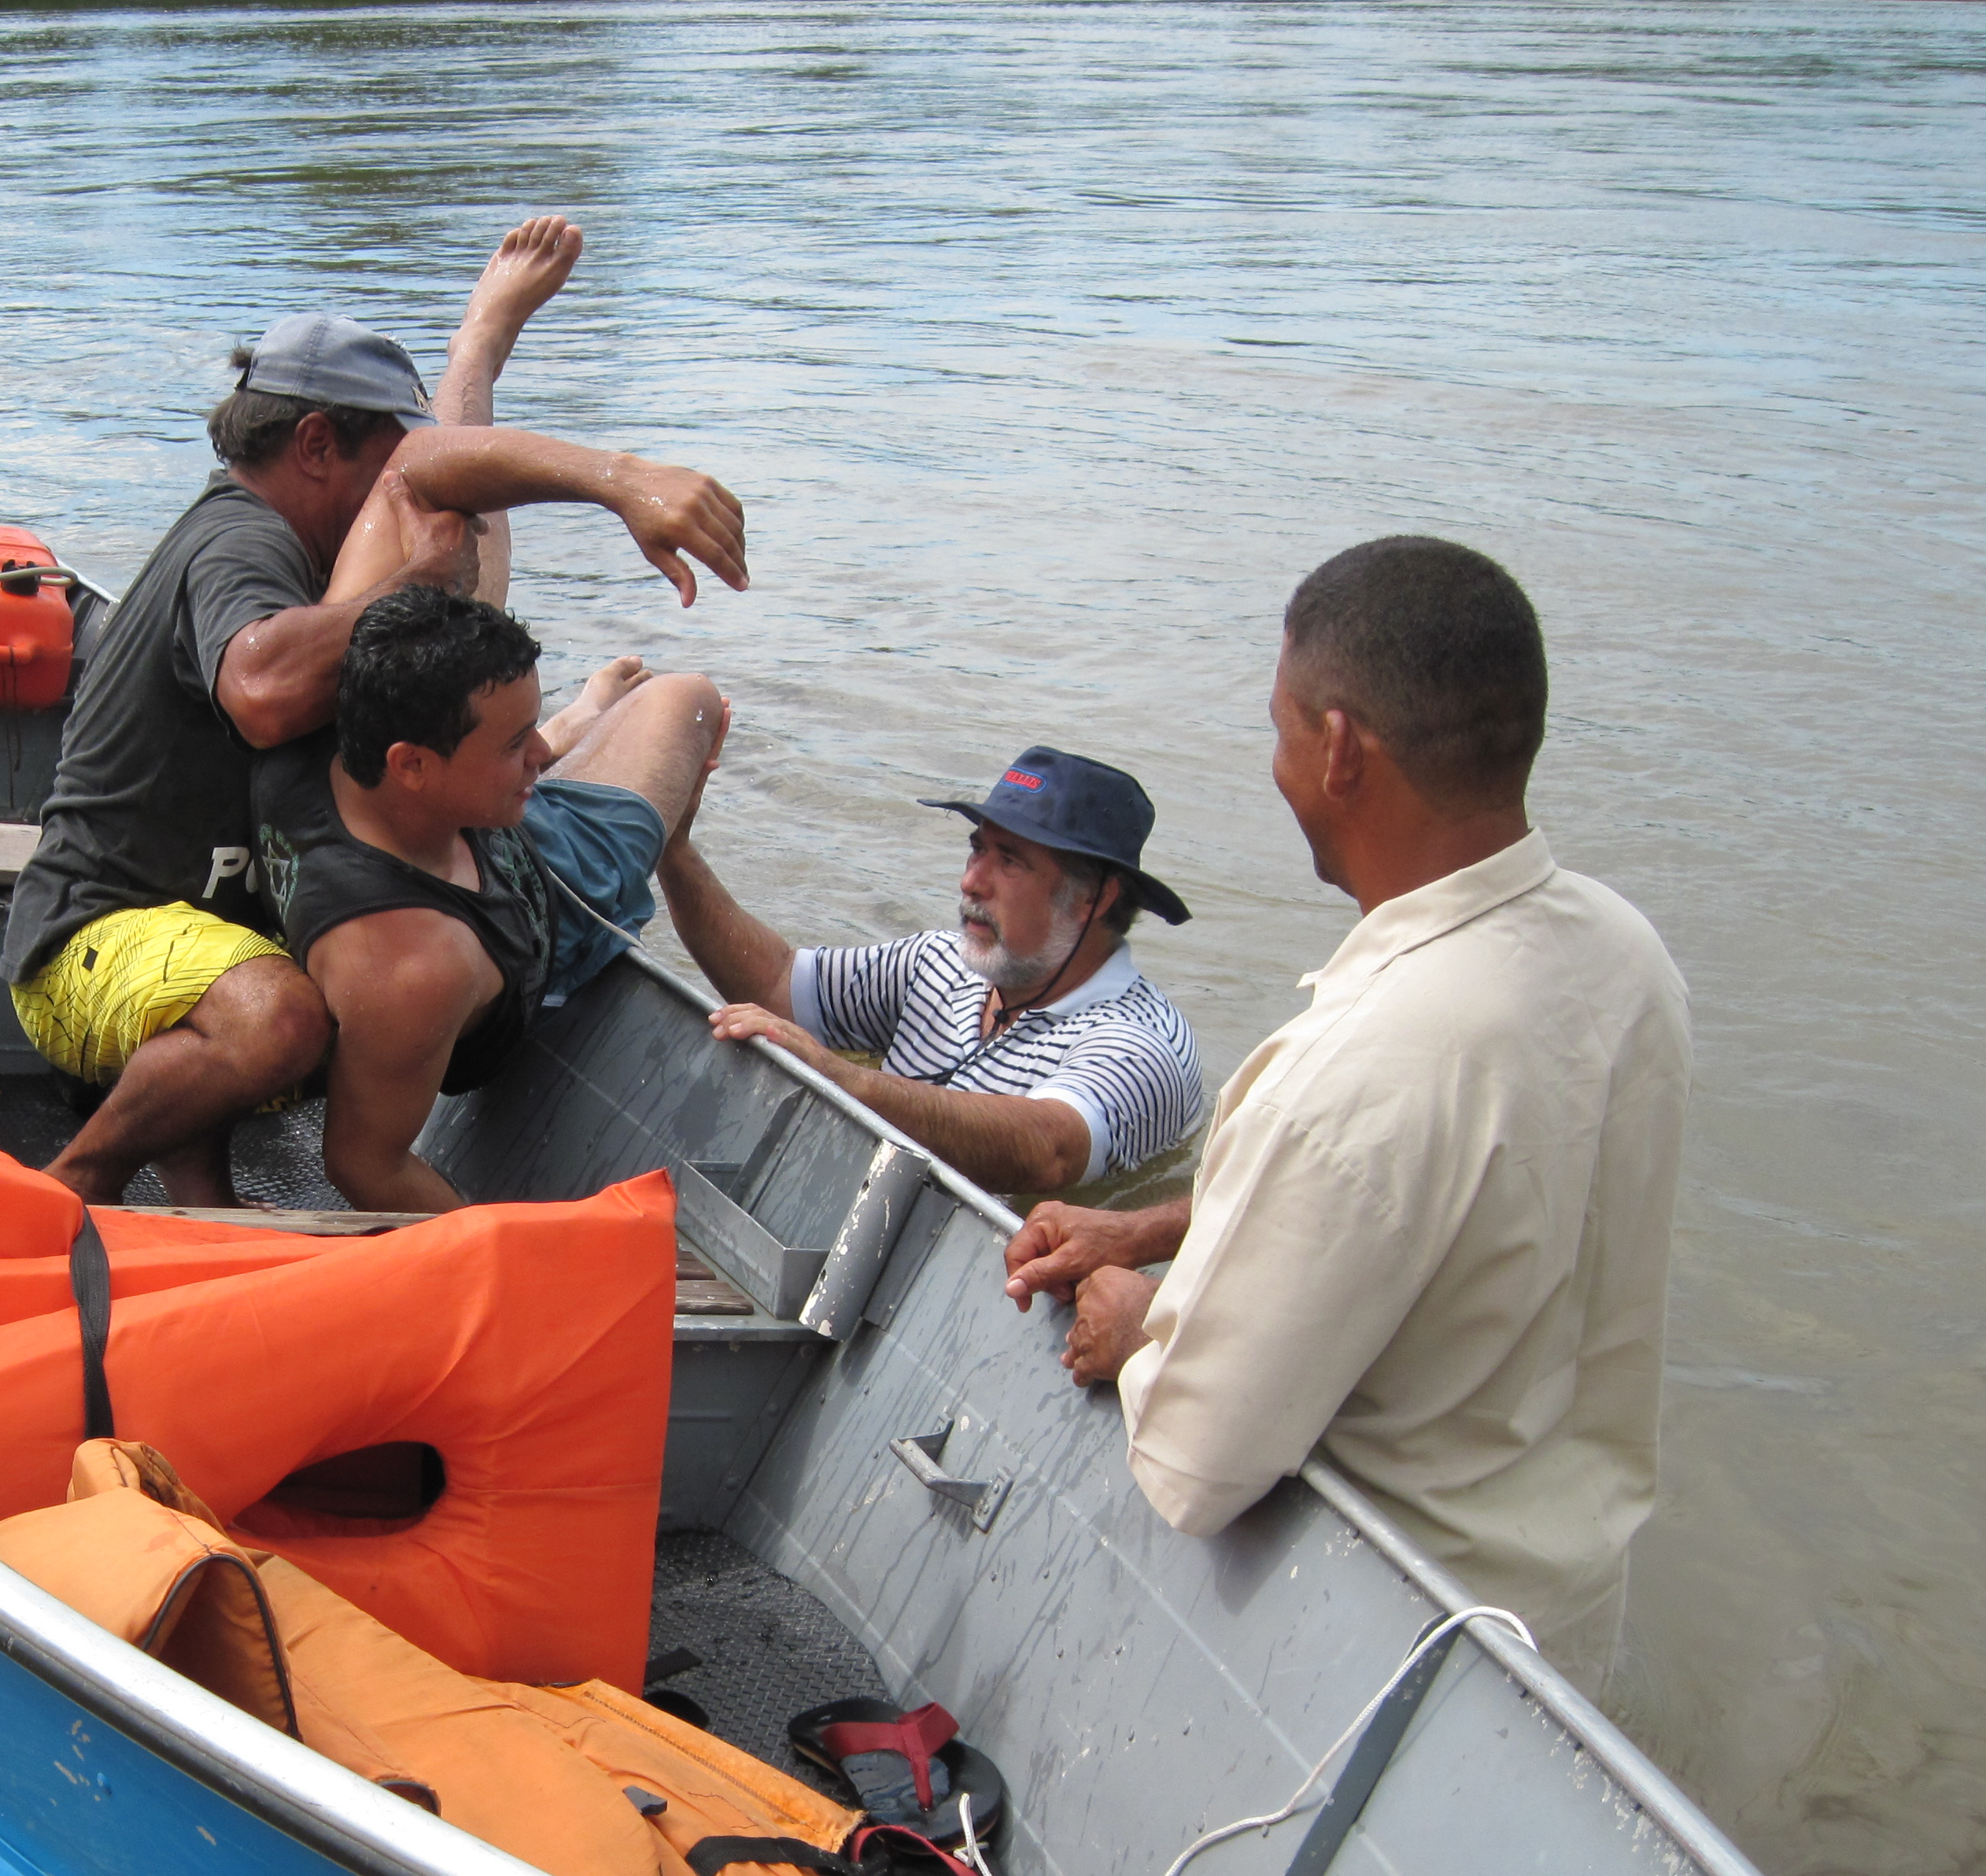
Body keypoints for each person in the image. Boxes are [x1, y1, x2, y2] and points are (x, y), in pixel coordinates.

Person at [1004, 536, 1691, 1686]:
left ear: (1338, 751)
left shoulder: (1361, 1063)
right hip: (1567, 1631)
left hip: (1393, 1648)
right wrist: (1142, 1230)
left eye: (1278, 729)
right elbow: (1453, 1214)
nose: (1274, 763)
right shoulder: (1627, 958)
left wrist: (1136, 1328)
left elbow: (1191, 1460)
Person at [0, 216, 749, 1205]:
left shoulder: (324, 560)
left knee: (472, 615)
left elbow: (454, 498)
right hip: (97, 938)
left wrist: (479, 356)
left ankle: (195, 1186)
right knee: (283, 1020)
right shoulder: (241, 541)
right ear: (316, 445)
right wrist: (618, 483)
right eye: (390, 463)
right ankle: (67, 1191)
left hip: (221, 933)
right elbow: (263, 688)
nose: (404, 508)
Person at [275, 590, 727, 1212]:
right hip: (568, 882)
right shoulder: (414, 967)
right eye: (519, 743)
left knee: (469, 523)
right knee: (690, 697)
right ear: (411, 764)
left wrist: (515, 756)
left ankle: (568, 724)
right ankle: (633, 802)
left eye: (531, 734)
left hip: (482, 816)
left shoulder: (292, 734)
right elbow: (363, 1166)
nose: (536, 757)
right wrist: (507, 1259)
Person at [655, 748, 1208, 1195]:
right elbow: (776, 984)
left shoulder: (1142, 1045)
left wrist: (835, 1076)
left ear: (1094, 898)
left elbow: (1048, 1152)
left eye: (1010, 861)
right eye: (977, 849)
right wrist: (672, 848)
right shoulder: (941, 963)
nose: (972, 881)